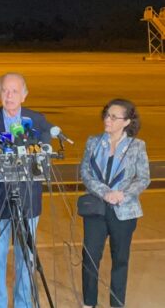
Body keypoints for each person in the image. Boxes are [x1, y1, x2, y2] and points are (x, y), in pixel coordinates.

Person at [0, 72, 52, 308]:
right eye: (5, 91)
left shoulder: (37, 121)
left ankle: (23, 304)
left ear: (24, 95)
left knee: (26, 257)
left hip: (28, 201)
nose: (9, 96)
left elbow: (44, 160)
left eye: (14, 91)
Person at [81, 98, 150, 308]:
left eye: (114, 117)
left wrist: (123, 195)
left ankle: (117, 303)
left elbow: (143, 178)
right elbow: (85, 173)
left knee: (120, 260)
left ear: (127, 122)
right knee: (90, 258)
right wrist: (105, 192)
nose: (107, 120)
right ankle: (88, 302)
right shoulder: (93, 142)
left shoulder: (137, 146)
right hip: (97, 209)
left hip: (124, 211)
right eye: (106, 115)